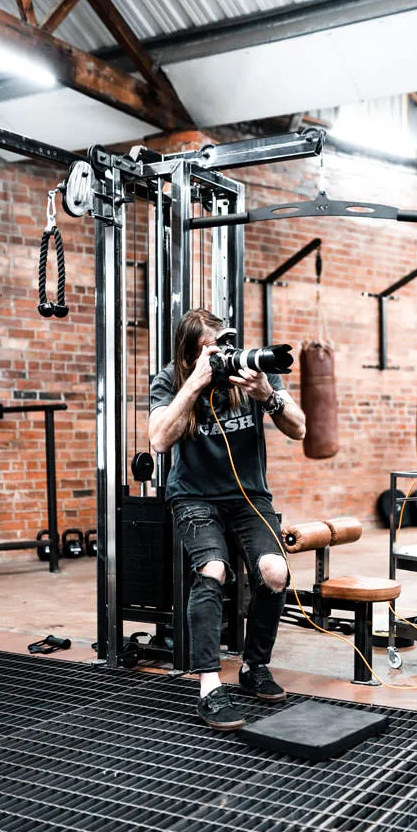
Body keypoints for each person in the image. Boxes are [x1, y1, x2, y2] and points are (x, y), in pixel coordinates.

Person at [148, 309, 306, 731]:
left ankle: (254, 666)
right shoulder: (170, 379)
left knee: (274, 572)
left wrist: (266, 396)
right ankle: (208, 686)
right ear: (188, 354)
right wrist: (195, 383)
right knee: (213, 569)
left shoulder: (250, 373)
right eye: (208, 349)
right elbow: (159, 439)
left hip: (249, 497)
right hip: (194, 498)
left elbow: (301, 428)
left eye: (221, 345)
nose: (220, 355)